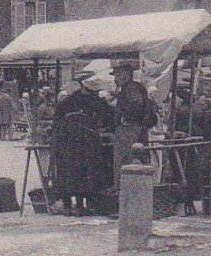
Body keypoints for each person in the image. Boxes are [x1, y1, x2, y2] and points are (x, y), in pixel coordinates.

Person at [52, 76, 114, 215]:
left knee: (68, 172)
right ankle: (83, 205)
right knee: (87, 172)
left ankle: (68, 205)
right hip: (88, 144)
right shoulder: (95, 102)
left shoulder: (64, 103)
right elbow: (110, 118)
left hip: (67, 144)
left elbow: (55, 124)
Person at [112, 60, 155, 191]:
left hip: (129, 130)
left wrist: (126, 118)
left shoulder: (130, 88)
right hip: (137, 128)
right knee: (137, 159)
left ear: (126, 75)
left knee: (125, 160)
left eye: (118, 74)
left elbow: (136, 103)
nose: (116, 78)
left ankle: (124, 190)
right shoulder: (135, 87)